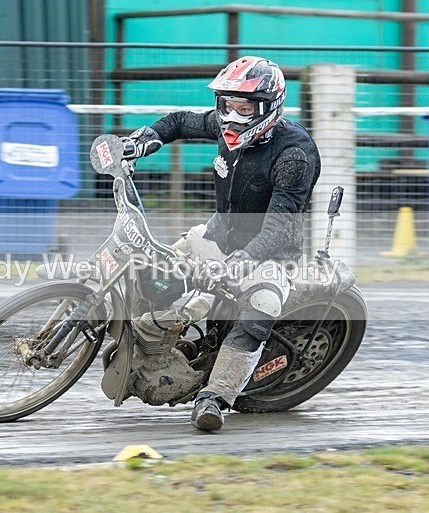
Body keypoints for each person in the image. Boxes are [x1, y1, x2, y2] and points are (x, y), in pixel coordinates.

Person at [121, 56, 321, 432]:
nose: (232, 116)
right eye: (227, 105)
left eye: (244, 108)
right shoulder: (226, 121)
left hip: (270, 255)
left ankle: (215, 396)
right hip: (217, 235)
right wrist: (144, 139)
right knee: (154, 266)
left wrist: (245, 260)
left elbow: (279, 224)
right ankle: (148, 337)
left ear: (269, 106)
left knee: (260, 307)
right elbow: (180, 121)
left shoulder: (294, 154)